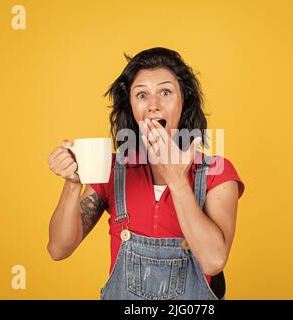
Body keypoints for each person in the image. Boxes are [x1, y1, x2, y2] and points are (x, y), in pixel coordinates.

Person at [47, 47, 245, 300]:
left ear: (184, 101)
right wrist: (73, 183)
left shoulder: (216, 172)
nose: (153, 105)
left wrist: (176, 179)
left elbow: (214, 260)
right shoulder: (114, 171)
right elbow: (58, 249)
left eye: (165, 92)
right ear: (130, 106)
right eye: (142, 95)